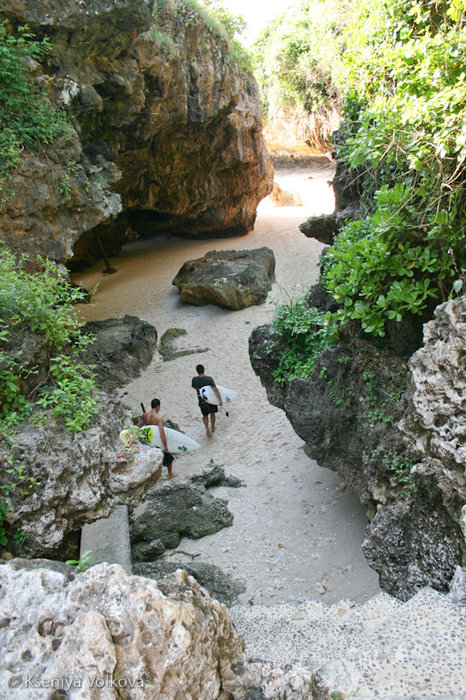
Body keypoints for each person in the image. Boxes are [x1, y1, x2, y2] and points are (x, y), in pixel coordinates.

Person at [139, 398, 176, 478]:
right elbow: (161, 433)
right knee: (168, 457)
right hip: (157, 440)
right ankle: (170, 474)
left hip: (148, 439)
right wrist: (165, 446)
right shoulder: (158, 418)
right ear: (158, 406)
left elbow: (140, 427)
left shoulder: (144, 415)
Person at [191, 364, 222, 437]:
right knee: (212, 413)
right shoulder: (209, 379)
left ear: (197, 371)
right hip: (210, 400)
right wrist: (219, 400)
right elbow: (215, 390)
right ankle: (213, 427)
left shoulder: (194, 380)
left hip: (201, 400)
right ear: (204, 370)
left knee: (205, 415)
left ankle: (207, 429)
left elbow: (193, 386)